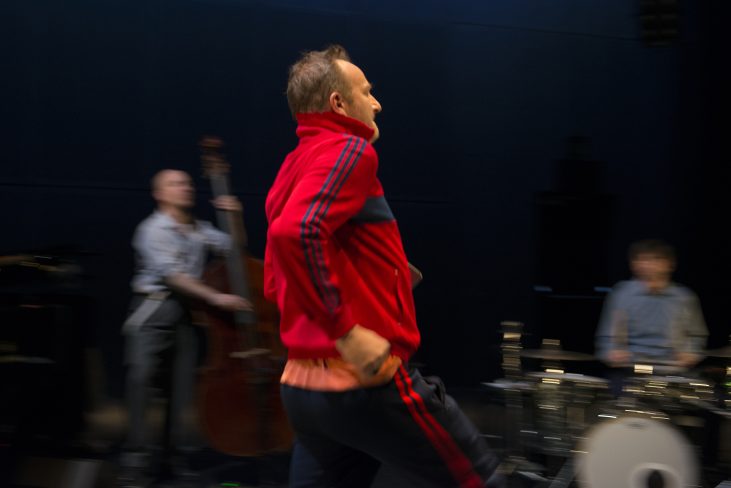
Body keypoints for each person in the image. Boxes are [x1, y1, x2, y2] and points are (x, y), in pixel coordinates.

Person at [263, 45, 503, 488]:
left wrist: (386, 272)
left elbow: (279, 278)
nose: (376, 104)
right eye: (367, 92)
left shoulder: (293, 164)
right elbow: (296, 233)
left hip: (301, 386)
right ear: (339, 103)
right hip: (362, 383)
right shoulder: (349, 149)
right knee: (479, 479)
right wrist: (346, 331)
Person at [119, 169, 249, 485]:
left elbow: (234, 249)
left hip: (185, 315)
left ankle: (171, 458)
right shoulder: (152, 229)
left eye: (187, 183)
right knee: (141, 382)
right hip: (153, 312)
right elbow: (173, 277)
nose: (185, 187)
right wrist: (216, 297)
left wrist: (234, 217)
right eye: (175, 183)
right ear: (159, 193)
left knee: (179, 391)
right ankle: (135, 461)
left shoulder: (199, 229)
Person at [595, 239, 708, 393]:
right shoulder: (621, 294)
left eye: (654, 259)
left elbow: (697, 335)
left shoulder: (684, 298)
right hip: (631, 370)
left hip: (672, 371)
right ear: (633, 264)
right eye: (641, 259)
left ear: (669, 264)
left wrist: (690, 353)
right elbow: (606, 337)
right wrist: (612, 352)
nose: (647, 265)